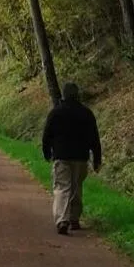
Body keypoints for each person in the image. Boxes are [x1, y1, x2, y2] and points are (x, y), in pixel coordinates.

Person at [41, 82, 102, 236]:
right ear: (77, 95)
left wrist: (46, 151)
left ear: (63, 95)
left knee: (62, 187)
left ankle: (62, 219)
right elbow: (95, 138)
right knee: (76, 187)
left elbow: (47, 135)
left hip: (61, 156)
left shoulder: (56, 112)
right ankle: (74, 218)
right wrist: (97, 159)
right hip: (81, 157)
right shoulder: (86, 113)